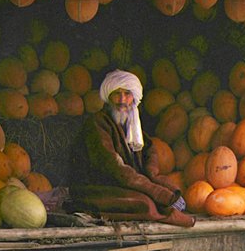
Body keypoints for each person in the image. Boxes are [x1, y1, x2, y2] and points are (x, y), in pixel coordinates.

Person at [69, 69, 195, 227]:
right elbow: (115, 168)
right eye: (117, 94)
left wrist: (153, 177)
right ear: (108, 97)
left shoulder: (131, 124)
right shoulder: (97, 124)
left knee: (165, 191)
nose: (122, 100)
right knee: (145, 203)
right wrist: (157, 192)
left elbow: (149, 150)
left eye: (127, 94)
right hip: (98, 188)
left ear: (133, 98)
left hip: (127, 184)